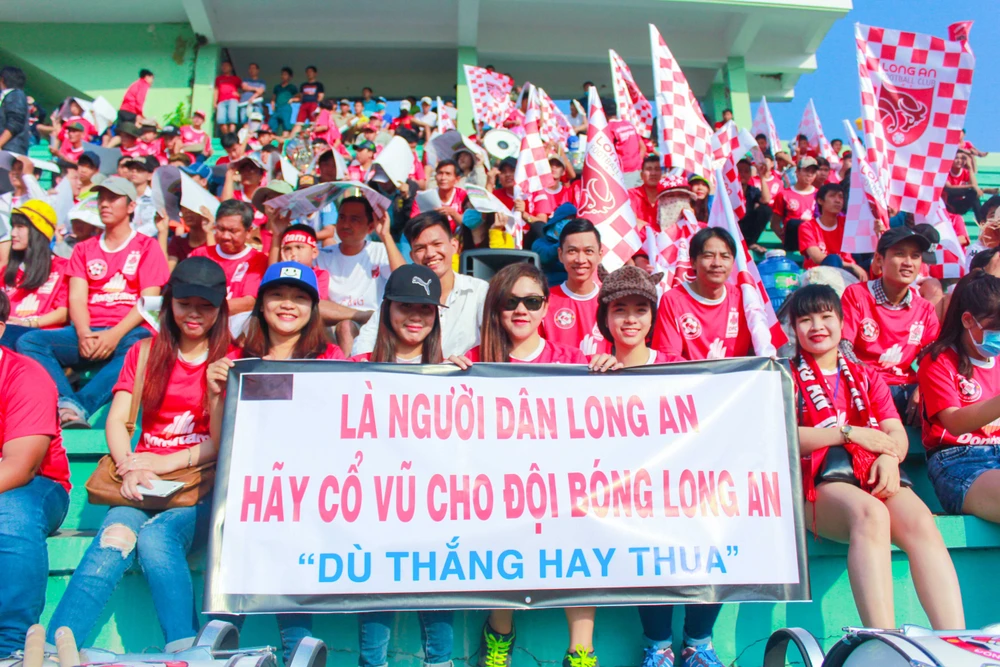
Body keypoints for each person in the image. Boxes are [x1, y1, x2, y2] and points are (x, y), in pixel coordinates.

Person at [45, 257, 228, 649]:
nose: (193, 313)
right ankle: (54, 648)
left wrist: (167, 461)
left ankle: (187, 649)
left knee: (157, 539)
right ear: (169, 303)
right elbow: (117, 421)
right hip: (143, 480)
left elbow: (222, 439)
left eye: (206, 305)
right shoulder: (144, 352)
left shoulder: (228, 359)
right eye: (184, 303)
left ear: (221, 308)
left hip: (198, 485)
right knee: (114, 538)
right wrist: (128, 466)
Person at [789, 284, 965, 631]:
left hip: (871, 470)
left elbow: (894, 431)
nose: (817, 326)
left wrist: (889, 456)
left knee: (919, 519)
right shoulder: (785, 376)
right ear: (793, 329)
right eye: (805, 319)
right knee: (871, 514)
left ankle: (954, 641)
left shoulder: (867, 376)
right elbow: (780, 436)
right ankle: (883, 640)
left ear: (842, 322)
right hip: (816, 483)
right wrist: (846, 433)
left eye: (826, 316)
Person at [448, 263, 590, 667]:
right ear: (496, 308)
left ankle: (581, 650)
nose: (522, 310)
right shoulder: (473, 362)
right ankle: (500, 638)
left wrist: (607, 371)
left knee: (583, 534)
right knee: (501, 533)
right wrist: (449, 378)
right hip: (499, 490)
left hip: (562, 489)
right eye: (511, 302)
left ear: (546, 308)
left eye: (532, 301)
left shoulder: (574, 360)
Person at [349, 263, 453, 666]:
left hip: (436, 512)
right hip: (375, 512)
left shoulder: (454, 373)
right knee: (373, 625)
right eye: (406, 306)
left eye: (426, 309)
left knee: (440, 614)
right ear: (388, 308)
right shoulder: (355, 370)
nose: (415, 317)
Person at [17, 177, 169, 428]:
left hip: (128, 331)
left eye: (112, 198)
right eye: (101, 198)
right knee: (29, 341)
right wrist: (84, 332)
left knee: (142, 348)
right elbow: (76, 296)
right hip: (86, 331)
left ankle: (79, 407)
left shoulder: (146, 246)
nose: (104, 204)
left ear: (131, 206)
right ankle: (67, 402)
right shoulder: (84, 248)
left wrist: (114, 334)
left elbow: (150, 300)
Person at [0, 289, 71, 657]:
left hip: (39, 485)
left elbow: (19, 466)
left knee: (9, 512)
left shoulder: (26, 375)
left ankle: (10, 648)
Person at [918, 270, 1000, 522]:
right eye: (996, 326)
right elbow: (954, 422)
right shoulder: (938, 361)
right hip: (959, 461)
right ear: (967, 320)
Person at [352, 212, 487, 358]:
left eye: (437, 244)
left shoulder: (479, 291)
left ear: (454, 246)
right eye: (420, 248)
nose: (430, 254)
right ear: (412, 256)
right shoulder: (400, 295)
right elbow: (365, 342)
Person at [841, 227, 937, 420]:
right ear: (879, 259)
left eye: (915, 256)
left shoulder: (924, 308)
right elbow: (844, 348)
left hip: (906, 388)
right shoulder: (856, 295)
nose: (909, 263)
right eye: (900, 254)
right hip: (865, 385)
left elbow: (933, 356)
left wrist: (923, 388)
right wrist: (873, 383)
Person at [652, 227, 753, 360]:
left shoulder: (744, 297)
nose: (717, 263)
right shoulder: (673, 300)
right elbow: (667, 359)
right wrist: (707, 369)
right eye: (708, 256)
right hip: (690, 379)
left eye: (725, 257)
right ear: (693, 262)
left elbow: (761, 348)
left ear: (733, 262)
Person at [218, 262, 345, 364]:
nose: (287, 305)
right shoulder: (236, 362)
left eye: (300, 297)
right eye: (277, 295)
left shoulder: (331, 357)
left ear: (312, 308)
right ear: (261, 304)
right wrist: (215, 395)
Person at [313, 193, 395, 352]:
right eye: (342, 218)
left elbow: (402, 278)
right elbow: (313, 304)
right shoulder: (321, 255)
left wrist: (386, 236)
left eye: (354, 219)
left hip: (371, 327)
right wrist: (358, 315)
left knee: (345, 327)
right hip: (330, 325)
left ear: (370, 227)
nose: (345, 224)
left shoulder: (380, 251)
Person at [0, 201, 68, 349]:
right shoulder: (6, 272)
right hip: (6, 333)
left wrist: (28, 323)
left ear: (38, 232)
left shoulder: (63, 267)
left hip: (41, 337)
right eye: (13, 227)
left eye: (20, 227)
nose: (13, 233)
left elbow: (64, 312)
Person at [539, 218, 610, 355]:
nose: (580, 260)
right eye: (572, 251)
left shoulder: (611, 301)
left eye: (588, 251)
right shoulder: (544, 302)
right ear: (561, 255)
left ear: (600, 255)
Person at [188, 199, 267, 319]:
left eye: (232, 231)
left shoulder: (257, 259)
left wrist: (207, 308)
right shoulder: (199, 255)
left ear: (249, 231)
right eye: (220, 229)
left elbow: (249, 302)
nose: (225, 236)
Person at [588, 265, 676, 369]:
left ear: (652, 317)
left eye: (641, 310)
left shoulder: (675, 369)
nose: (631, 319)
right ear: (605, 318)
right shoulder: (591, 366)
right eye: (620, 310)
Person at [798, 182, 867, 280]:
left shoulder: (848, 223)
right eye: (832, 196)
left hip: (848, 273)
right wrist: (852, 265)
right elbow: (817, 258)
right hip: (818, 274)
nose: (838, 201)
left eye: (840, 197)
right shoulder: (808, 227)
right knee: (833, 259)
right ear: (821, 201)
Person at [771, 156, 818, 247]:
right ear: (797, 172)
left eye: (813, 172)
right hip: (793, 240)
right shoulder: (784, 194)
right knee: (794, 223)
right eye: (806, 170)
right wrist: (784, 239)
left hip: (813, 239)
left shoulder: (819, 195)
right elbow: (775, 224)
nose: (810, 174)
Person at [412, 159, 467, 226]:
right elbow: (414, 222)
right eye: (440, 173)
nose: (443, 178)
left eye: (448, 174)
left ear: (457, 179)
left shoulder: (464, 196)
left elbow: (469, 225)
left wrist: (453, 213)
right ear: (435, 177)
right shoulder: (424, 197)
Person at [736, 158, 772, 247]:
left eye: (746, 171)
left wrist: (762, 177)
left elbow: (766, 200)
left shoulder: (752, 190)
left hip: (746, 226)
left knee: (765, 210)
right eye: (739, 171)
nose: (743, 174)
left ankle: (750, 243)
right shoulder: (727, 190)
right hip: (732, 224)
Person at [124, 155, 159, 238]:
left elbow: (154, 225)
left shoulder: (156, 198)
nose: (134, 172)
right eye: (131, 169)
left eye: (139, 170)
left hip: (147, 240)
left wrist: (134, 235)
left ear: (150, 175)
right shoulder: (123, 196)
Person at [628, 155, 663, 234]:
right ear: (641, 175)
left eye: (657, 169)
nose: (653, 173)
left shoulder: (669, 195)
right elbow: (632, 221)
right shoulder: (631, 194)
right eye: (649, 169)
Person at [944, 150, 982, 220]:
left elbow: (974, 186)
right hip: (949, 204)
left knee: (974, 193)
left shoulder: (965, 172)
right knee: (950, 190)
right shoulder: (946, 172)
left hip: (960, 205)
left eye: (962, 158)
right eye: (956, 158)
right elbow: (949, 188)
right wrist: (971, 187)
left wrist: (970, 168)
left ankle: (982, 223)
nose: (959, 161)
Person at [213, 61, 242, 136]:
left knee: (232, 119)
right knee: (221, 120)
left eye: (226, 65)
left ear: (231, 68)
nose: (224, 67)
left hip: (233, 100)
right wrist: (214, 102)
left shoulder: (236, 79)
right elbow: (216, 90)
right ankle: (226, 136)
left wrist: (239, 95)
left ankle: (231, 136)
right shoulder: (219, 79)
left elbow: (244, 88)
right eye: (223, 66)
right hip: (221, 101)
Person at [271, 67, 298, 137]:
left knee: (286, 126)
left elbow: (299, 97)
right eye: (282, 74)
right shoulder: (277, 87)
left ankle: (284, 143)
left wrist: (292, 100)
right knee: (272, 124)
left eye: (285, 74)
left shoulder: (292, 87)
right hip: (278, 108)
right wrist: (273, 105)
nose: (283, 76)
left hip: (286, 108)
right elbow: (273, 98)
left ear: (290, 77)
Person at [239, 62, 266, 127]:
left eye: (253, 68)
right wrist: (255, 89)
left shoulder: (261, 81)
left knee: (257, 122)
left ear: (257, 70)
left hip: (256, 104)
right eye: (250, 68)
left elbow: (261, 91)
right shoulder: (245, 80)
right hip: (244, 104)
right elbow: (244, 87)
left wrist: (252, 98)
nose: (251, 70)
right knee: (244, 122)